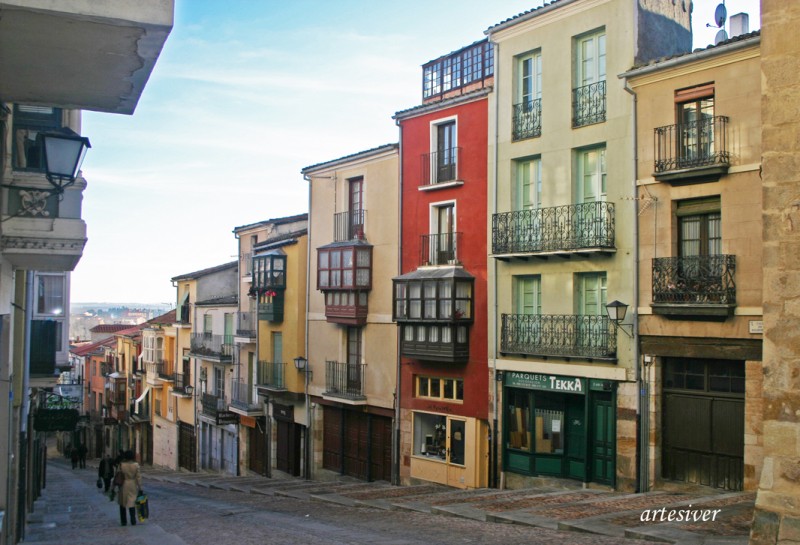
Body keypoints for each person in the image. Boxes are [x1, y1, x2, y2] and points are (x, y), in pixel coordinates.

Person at [116, 450, 143, 526]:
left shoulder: (121, 465)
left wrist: (114, 486)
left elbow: (117, 475)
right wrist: (140, 488)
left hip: (123, 484)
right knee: (132, 502)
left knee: (122, 503)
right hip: (132, 484)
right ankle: (133, 519)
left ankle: (123, 521)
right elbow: (139, 477)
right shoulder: (136, 465)